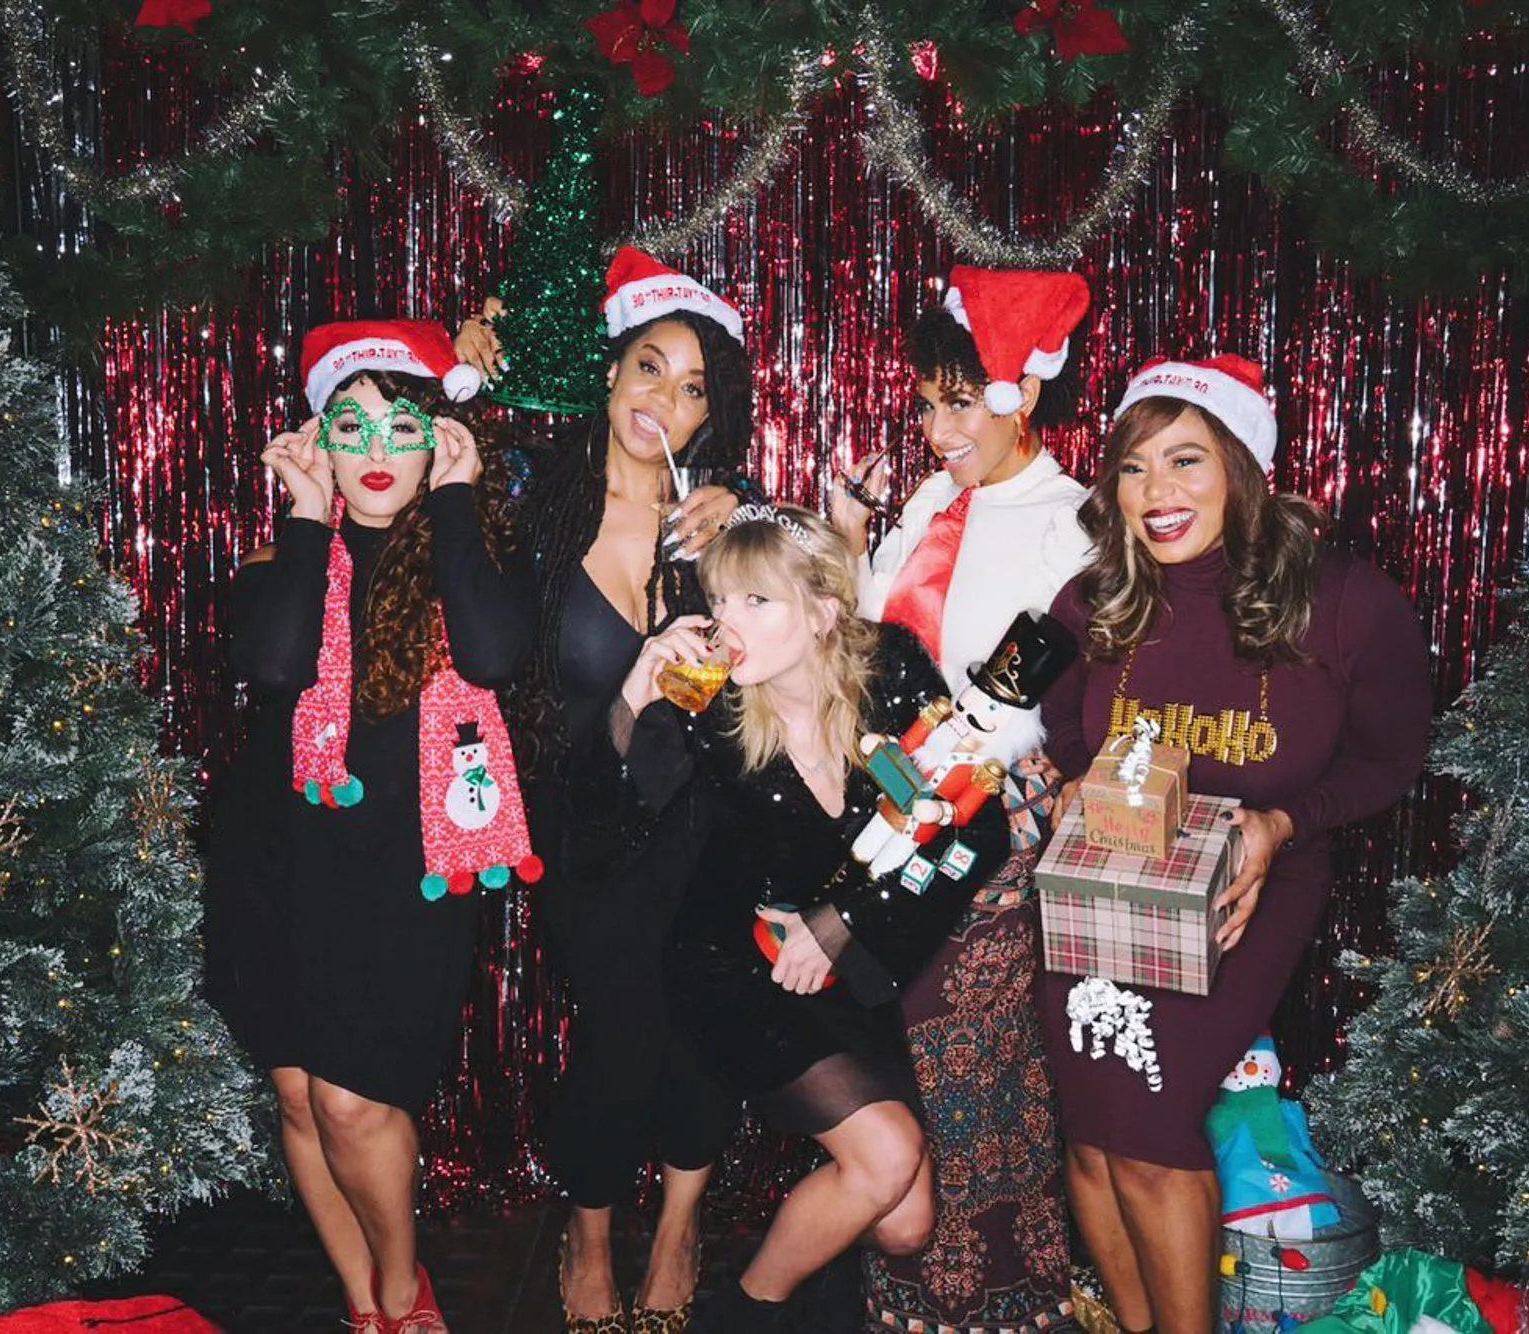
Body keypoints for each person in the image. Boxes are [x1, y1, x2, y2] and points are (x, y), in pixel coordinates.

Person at [1033, 357, 1432, 1334]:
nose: (1155, 493)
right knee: (1089, 1139)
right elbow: (1057, 724)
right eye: (1132, 467)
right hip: (1105, 882)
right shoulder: (1089, 600)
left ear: (1243, 468)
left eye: (1184, 461)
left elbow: (1394, 756)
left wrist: (1279, 824)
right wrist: (1074, 779)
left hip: (1253, 881)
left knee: (1153, 1129)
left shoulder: (1340, 600)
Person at [564, 504, 1026, 1333]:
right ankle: (745, 1316)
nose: (724, 625)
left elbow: (975, 827)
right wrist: (632, 694)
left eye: (755, 602)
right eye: (719, 601)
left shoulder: (891, 670)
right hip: (732, 970)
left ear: (821, 613)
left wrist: (840, 923)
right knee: (884, 1157)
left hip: (848, 958)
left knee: (905, 1219)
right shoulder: (706, 704)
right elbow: (600, 835)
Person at [204, 320, 534, 1334]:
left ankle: (402, 1282)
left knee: (353, 1100)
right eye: (352, 429)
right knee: (300, 1098)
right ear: (320, 444)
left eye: (404, 427)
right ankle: (361, 1301)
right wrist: (307, 518)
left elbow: (487, 656)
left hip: (404, 873)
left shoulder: (468, 553)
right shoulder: (285, 553)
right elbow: (272, 664)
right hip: (274, 865)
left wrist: (455, 501)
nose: (378, 451)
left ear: (441, 439)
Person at [454, 248, 755, 1333]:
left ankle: (676, 1229)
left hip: (713, 825)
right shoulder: (534, 492)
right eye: (646, 367)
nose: (661, 401)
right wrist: (468, 367)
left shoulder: (725, 513)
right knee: (621, 1029)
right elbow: (444, 492)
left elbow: (787, 653)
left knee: (702, 1033)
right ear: (609, 369)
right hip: (588, 823)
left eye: (690, 389)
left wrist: (746, 544)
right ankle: (587, 1237)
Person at [829, 266, 1094, 1331]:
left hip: (981, 830)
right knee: (907, 1059)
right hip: (894, 810)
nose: (935, 426)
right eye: (926, 401)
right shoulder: (938, 498)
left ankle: (998, 1297)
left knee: (969, 1063)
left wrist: (907, 782)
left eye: (956, 400)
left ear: (1020, 393)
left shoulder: (1068, 527)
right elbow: (871, 642)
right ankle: (907, 1293)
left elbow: (1013, 711)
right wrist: (849, 544)